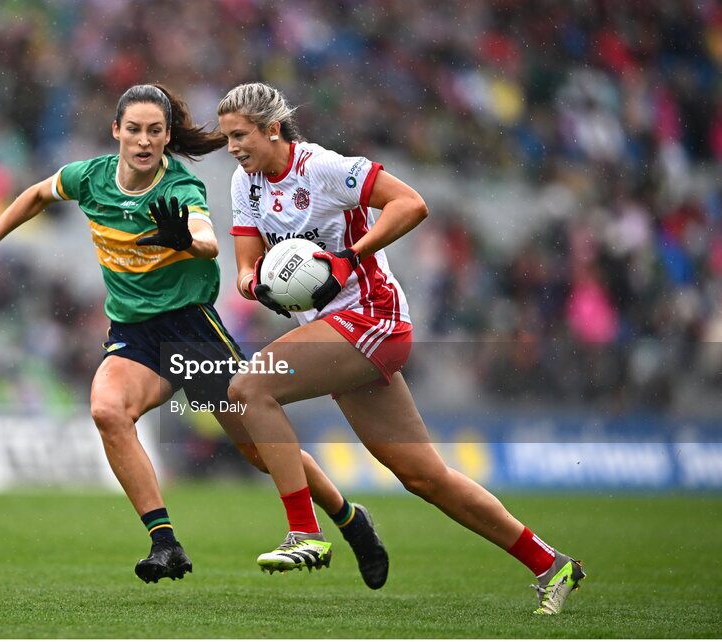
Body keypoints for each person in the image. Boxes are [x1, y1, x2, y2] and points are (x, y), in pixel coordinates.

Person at [0, 84, 389, 588]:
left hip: (192, 332)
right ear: (116, 131)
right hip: (134, 334)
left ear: (167, 137)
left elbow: (210, 243)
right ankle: (164, 542)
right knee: (107, 410)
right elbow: (37, 194)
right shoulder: (91, 177)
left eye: (155, 132)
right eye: (134, 130)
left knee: (258, 453)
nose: (144, 141)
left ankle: (349, 519)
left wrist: (185, 239)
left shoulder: (180, 188)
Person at [218, 82, 585, 615]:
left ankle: (305, 530)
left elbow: (410, 203)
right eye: (227, 138)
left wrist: (347, 258)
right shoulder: (244, 181)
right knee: (423, 477)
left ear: (272, 129)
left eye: (239, 135)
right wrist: (259, 285)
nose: (232, 147)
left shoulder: (321, 168)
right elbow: (247, 262)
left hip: (372, 320)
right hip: (335, 332)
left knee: (248, 388)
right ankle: (553, 564)